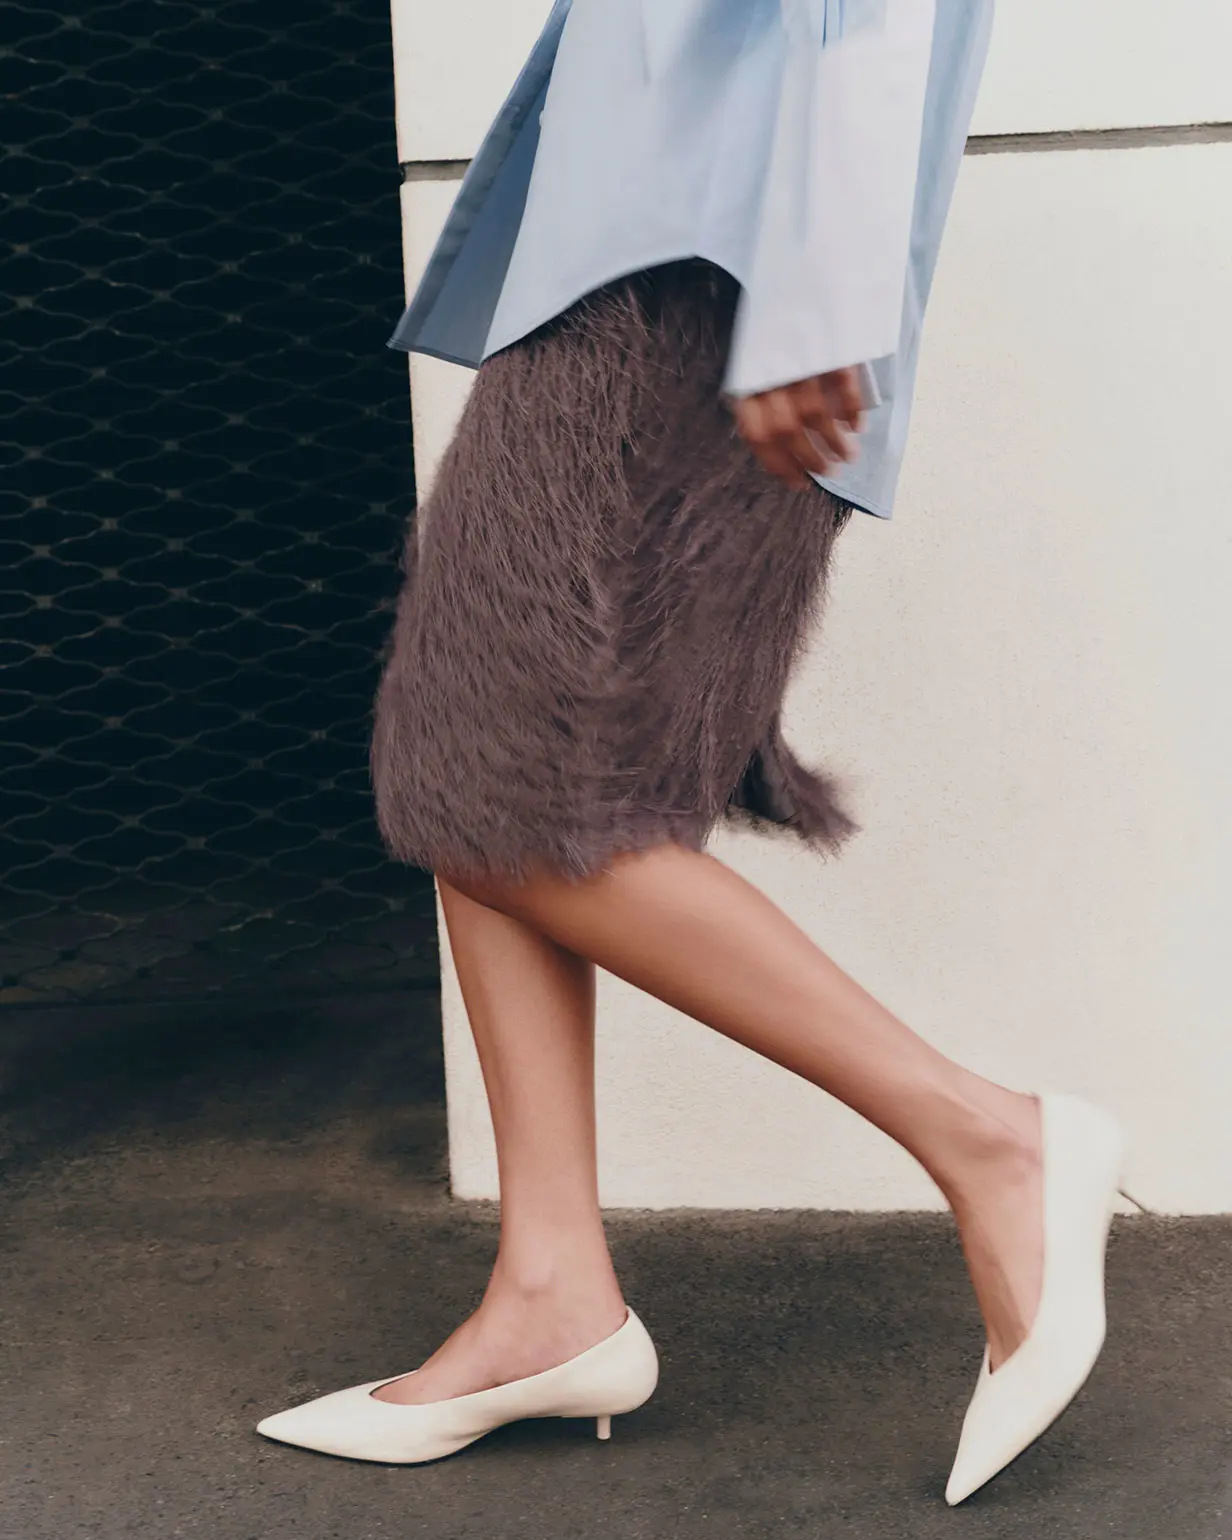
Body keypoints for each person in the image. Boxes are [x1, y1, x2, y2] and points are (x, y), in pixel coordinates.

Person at [256, 0, 1130, 1504]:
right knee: (480, 743)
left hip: (700, 257)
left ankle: (991, 1142)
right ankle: (551, 1290)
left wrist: (816, 289)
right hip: (651, 234)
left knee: (499, 796)